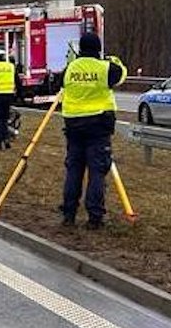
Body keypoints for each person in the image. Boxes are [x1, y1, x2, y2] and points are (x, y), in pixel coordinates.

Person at [59, 32, 125, 230]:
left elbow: (61, 84)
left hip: (73, 126)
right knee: (97, 172)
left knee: (74, 171)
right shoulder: (106, 68)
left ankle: (69, 214)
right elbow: (121, 75)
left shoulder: (70, 68)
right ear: (98, 48)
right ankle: (94, 217)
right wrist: (114, 60)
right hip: (98, 126)